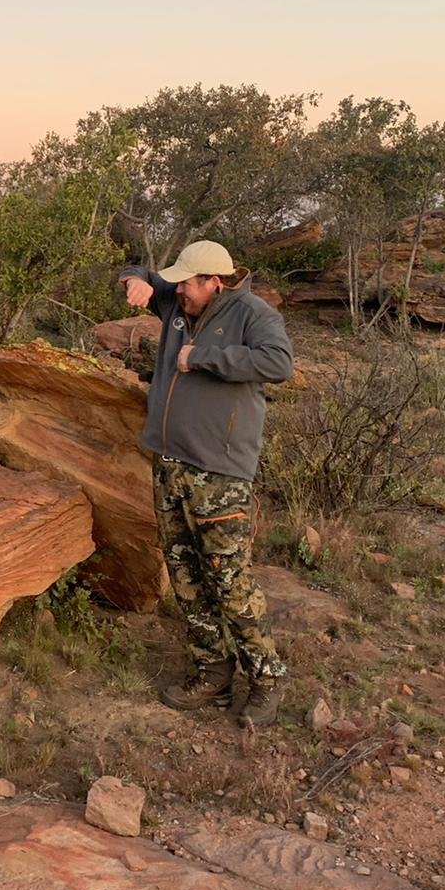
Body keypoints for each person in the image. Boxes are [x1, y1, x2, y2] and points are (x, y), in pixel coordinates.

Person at [118, 240, 294, 727]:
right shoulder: (175, 299)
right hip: (170, 463)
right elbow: (140, 272)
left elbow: (279, 364)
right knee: (187, 576)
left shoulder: (253, 315)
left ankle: (266, 679)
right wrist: (134, 279)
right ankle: (212, 673)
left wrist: (204, 358)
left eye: (188, 284)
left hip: (219, 471)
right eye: (174, 283)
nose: (177, 291)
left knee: (228, 577)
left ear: (214, 282)